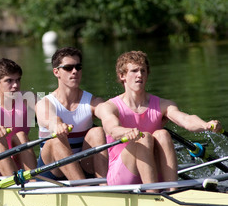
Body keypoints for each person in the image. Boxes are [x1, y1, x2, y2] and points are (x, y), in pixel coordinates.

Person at [95, 51, 223, 190]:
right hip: (123, 177)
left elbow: (185, 119)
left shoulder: (163, 104)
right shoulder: (109, 107)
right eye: (134, 71)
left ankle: (172, 190)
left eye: (143, 70)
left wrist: (205, 125)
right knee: (144, 138)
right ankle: (153, 193)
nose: (140, 75)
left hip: (155, 173)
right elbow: (112, 129)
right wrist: (126, 132)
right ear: (122, 76)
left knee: (162, 134)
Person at [35, 47, 108, 180]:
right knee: (56, 140)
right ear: (56, 72)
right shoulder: (44, 103)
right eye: (68, 68)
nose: (74, 71)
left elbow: (108, 114)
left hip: (83, 165)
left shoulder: (93, 102)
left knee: (97, 131)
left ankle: (104, 185)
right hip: (52, 173)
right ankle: (83, 187)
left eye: (78, 67)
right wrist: (57, 124)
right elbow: (50, 119)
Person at [0, 58, 37, 176]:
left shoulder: (27, 98)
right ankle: (15, 185)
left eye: (18, 80)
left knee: (21, 136)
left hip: (18, 161)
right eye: (9, 81)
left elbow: (46, 114)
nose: (15, 85)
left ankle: (34, 181)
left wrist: (56, 122)